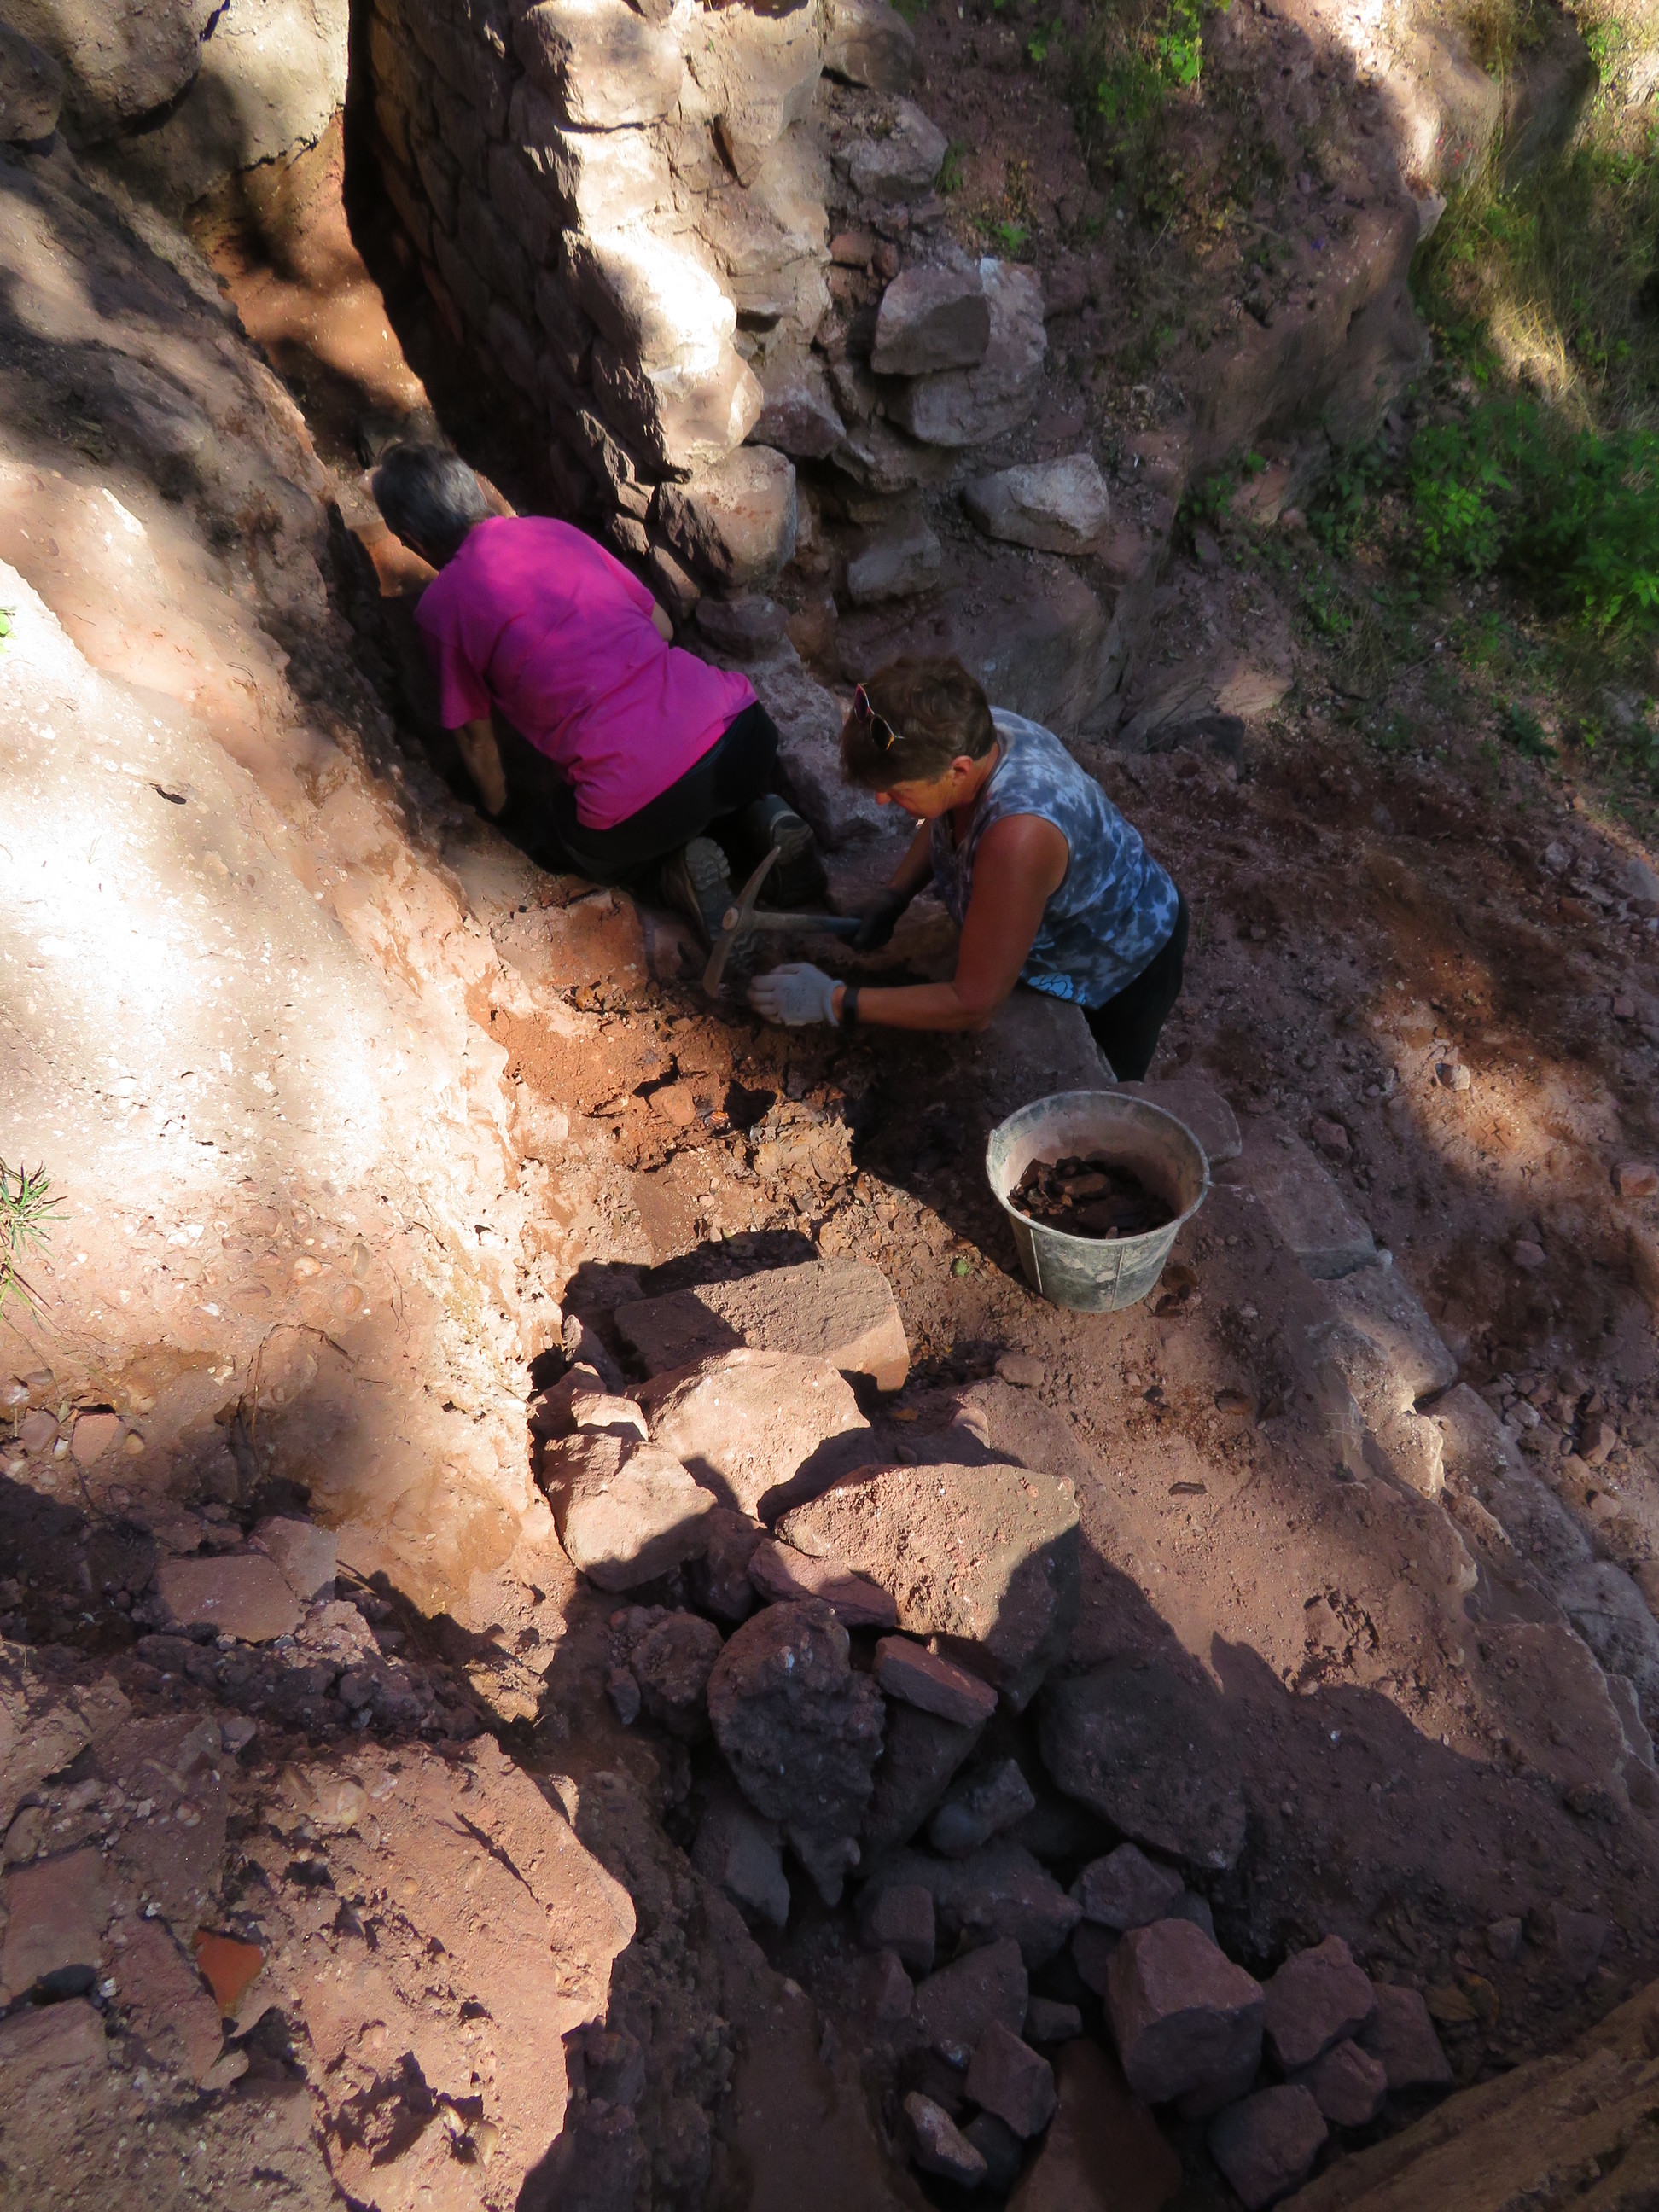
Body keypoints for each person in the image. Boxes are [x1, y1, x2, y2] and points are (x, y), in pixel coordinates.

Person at [370, 440, 822, 936]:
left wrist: (498, 813)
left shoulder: (442, 608)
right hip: (743, 737)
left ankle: (672, 875)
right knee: (704, 792)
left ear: (412, 539)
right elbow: (662, 626)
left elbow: (476, 741)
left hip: (632, 808)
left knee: (560, 840)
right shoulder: (553, 531)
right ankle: (763, 816)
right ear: (475, 490)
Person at [747, 655, 1186, 1080]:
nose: (881, 800)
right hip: (1053, 913)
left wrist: (834, 1001)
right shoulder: (968, 736)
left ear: (958, 769)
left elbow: (974, 1005)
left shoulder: (1018, 839)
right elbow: (946, 814)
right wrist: (895, 895)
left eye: (896, 789)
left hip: (1123, 961)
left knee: (1099, 1099)